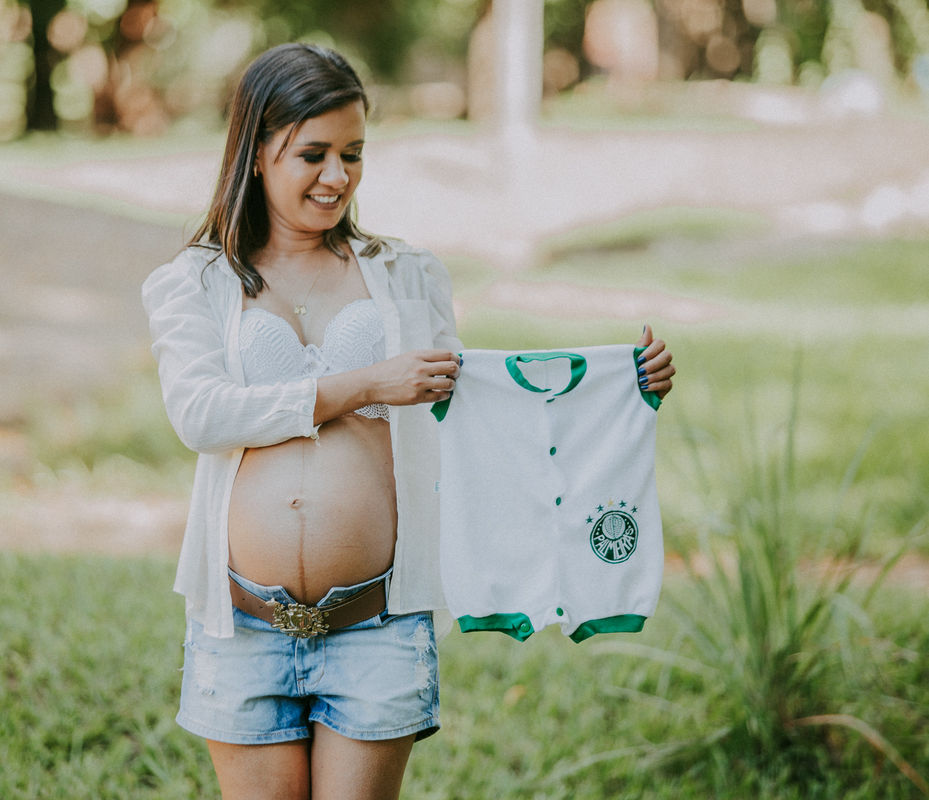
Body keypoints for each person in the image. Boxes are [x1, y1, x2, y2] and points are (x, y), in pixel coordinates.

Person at [141, 43, 675, 800]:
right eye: (313, 155)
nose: (337, 177)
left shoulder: (405, 274)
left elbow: (477, 408)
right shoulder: (196, 281)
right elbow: (201, 413)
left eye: (353, 153)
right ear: (257, 152)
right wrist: (366, 383)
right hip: (243, 629)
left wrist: (622, 387)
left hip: (377, 627)